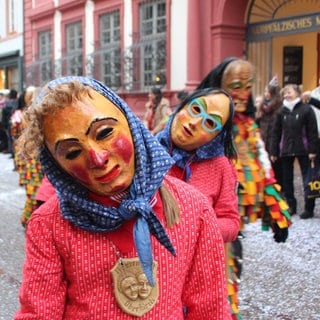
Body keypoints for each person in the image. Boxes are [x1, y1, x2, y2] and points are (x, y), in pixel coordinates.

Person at [15, 76, 230, 319]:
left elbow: (210, 309)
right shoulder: (49, 226)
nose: (98, 158)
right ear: (57, 166)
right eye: (73, 152)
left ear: (130, 123)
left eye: (105, 132)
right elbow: (39, 313)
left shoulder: (194, 209)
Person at [157, 88, 241, 318]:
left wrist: (194, 226)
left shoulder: (220, 166)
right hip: (149, 277)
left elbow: (231, 223)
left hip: (195, 278)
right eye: (195, 109)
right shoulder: (144, 151)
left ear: (217, 136)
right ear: (183, 106)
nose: (194, 123)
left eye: (210, 123)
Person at [197, 57, 291, 241]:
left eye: (248, 87)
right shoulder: (202, 121)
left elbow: (262, 164)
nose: (243, 94)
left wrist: (277, 212)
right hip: (206, 213)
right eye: (236, 87)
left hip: (233, 216)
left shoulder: (247, 125)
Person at [270, 84, 319, 219]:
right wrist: (274, 151)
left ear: (297, 93)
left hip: (303, 149)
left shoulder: (306, 109)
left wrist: (312, 150)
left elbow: (312, 131)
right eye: (285, 93)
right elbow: (276, 133)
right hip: (286, 149)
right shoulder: (281, 111)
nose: (287, 95)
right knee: (287, 180)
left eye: (289, 92)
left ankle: (309, 208)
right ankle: (291, 206)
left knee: (307, 179)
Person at [255, 75, 283, 186]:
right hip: (262, 142)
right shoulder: (262, 107)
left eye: (269, 91)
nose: (266, 94)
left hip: (274, 143)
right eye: (265, 91)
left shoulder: (279, 108)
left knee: (275, 171)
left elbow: (277, 130)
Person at [1, 88, 18, 158]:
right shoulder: (18, 103)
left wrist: (4, 126)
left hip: (9, 124)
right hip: (17, 123)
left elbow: (3, 117)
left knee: (10, 139)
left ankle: (12, 153)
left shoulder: (6, 105)